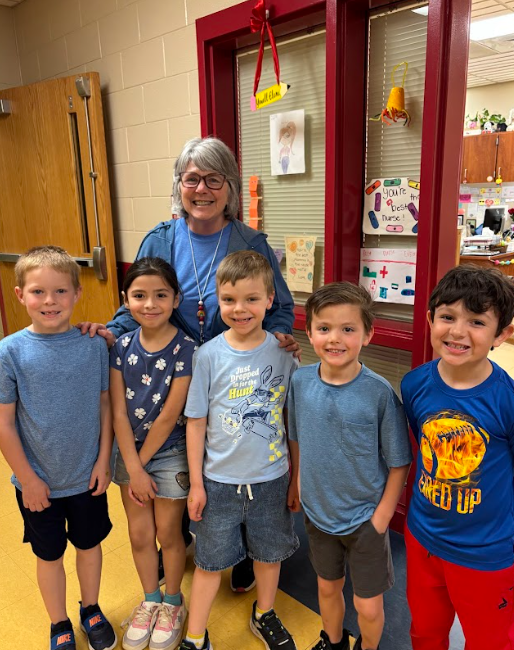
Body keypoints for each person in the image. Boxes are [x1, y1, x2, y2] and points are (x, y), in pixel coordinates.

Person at [80, 136, 299, 592]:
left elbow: (278, 305)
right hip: (167, 372)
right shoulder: (160, 237)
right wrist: (109, 332)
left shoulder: (249, 240)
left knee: (230, 454)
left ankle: (242, 545)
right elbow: (139, 301)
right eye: (191, 178)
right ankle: (173, 540)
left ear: (230, 187)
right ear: (178, 185)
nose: (202, 189)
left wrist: (280, 335)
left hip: (230, 372)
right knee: (177, 457)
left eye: (213, 179)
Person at [179, 251, 300, 650]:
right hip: (219, 483)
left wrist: (295, 478)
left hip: (271, 478)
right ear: (217, 299)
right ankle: (195, 636)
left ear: (270, 300)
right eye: (229, 299)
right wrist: (197, 484)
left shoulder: (284, 352)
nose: (240, 309)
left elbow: (291, 418)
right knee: (209, 563)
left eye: (251, 299)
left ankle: (264, 613)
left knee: (269, 555)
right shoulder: (208, 354)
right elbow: (196, 422)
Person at [0, 246, 116, 650]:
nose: (50, 301)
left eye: (60, 291)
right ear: (20, 295)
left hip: (88, 476)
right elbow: (5, 423)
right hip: (38, 486)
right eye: (38, 292)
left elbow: (105, 405)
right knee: (48, 555)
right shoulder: (9, 352)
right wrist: (28, 480)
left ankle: (91, 608)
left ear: (77, 293)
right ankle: (58, 622)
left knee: (89, 545)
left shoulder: (93, 345)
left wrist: (105, 460)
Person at [288, 282, 412, 650]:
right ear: (309, 331)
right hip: (317, 512)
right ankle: (334, 640)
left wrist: (382, 517)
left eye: (348, 329)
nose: (334, 339)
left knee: (368, 606)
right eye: (324, 328)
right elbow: (296, 436)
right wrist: (297, 483)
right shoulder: (300, 381)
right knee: (327, 587)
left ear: (368, 334)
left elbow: (399, 461)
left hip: (364, 521)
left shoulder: (378, 393)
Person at [401, 264, 514, 650]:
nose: (458, 331)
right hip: (423, 539)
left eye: (477, 322)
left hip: (487, 553)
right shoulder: (415, 384)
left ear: (503, 334)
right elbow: (422, 448)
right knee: (425, 632)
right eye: (447, 317)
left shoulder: (507, 400)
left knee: (488, 641)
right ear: (430, 320)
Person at [110, 258, 197, 650]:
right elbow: (116, 411)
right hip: (128, 453)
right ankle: (150, 599)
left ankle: (173, 602)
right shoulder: (120, 346)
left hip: (168, 453)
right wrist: (131, 465)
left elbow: (168, 417)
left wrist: (140, 466)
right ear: (125, 299)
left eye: (160, 295)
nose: (150, 304)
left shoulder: (186, 348)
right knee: (139, 533)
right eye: (140, 295)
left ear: (175, 298)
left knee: (168, 533)